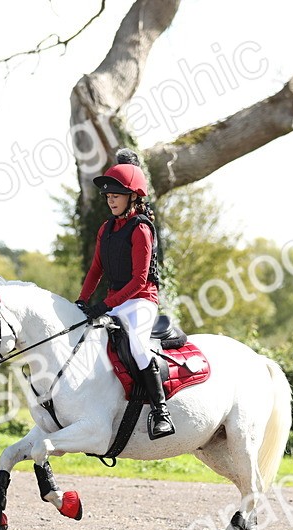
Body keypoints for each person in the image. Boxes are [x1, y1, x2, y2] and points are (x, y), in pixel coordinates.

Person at [77, 148, 174, 440]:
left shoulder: (141, 229)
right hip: (117, 302)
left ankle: (161, 411)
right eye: (108, 196)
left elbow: (139, 280)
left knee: (139, 347)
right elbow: (96, 269)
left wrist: (104, 305)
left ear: (133, 196)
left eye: (116, 195)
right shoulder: (106, 228)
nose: (111, 200)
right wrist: (82, 301)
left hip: (141, 301)